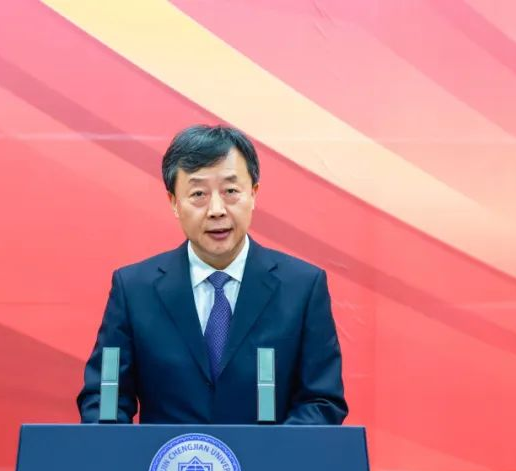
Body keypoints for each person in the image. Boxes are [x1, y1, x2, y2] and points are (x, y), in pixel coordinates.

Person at [77, 124, 347, 425]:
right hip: (166, 457)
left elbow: (321, 400)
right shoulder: (134, 289)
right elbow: (105, 397)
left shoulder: (302, 287)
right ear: (174, 203)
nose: (216, 210)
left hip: (267, 456)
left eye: (230, 191)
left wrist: (271, 449)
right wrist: (119, 446)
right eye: (198, 194)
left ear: (253, 194)